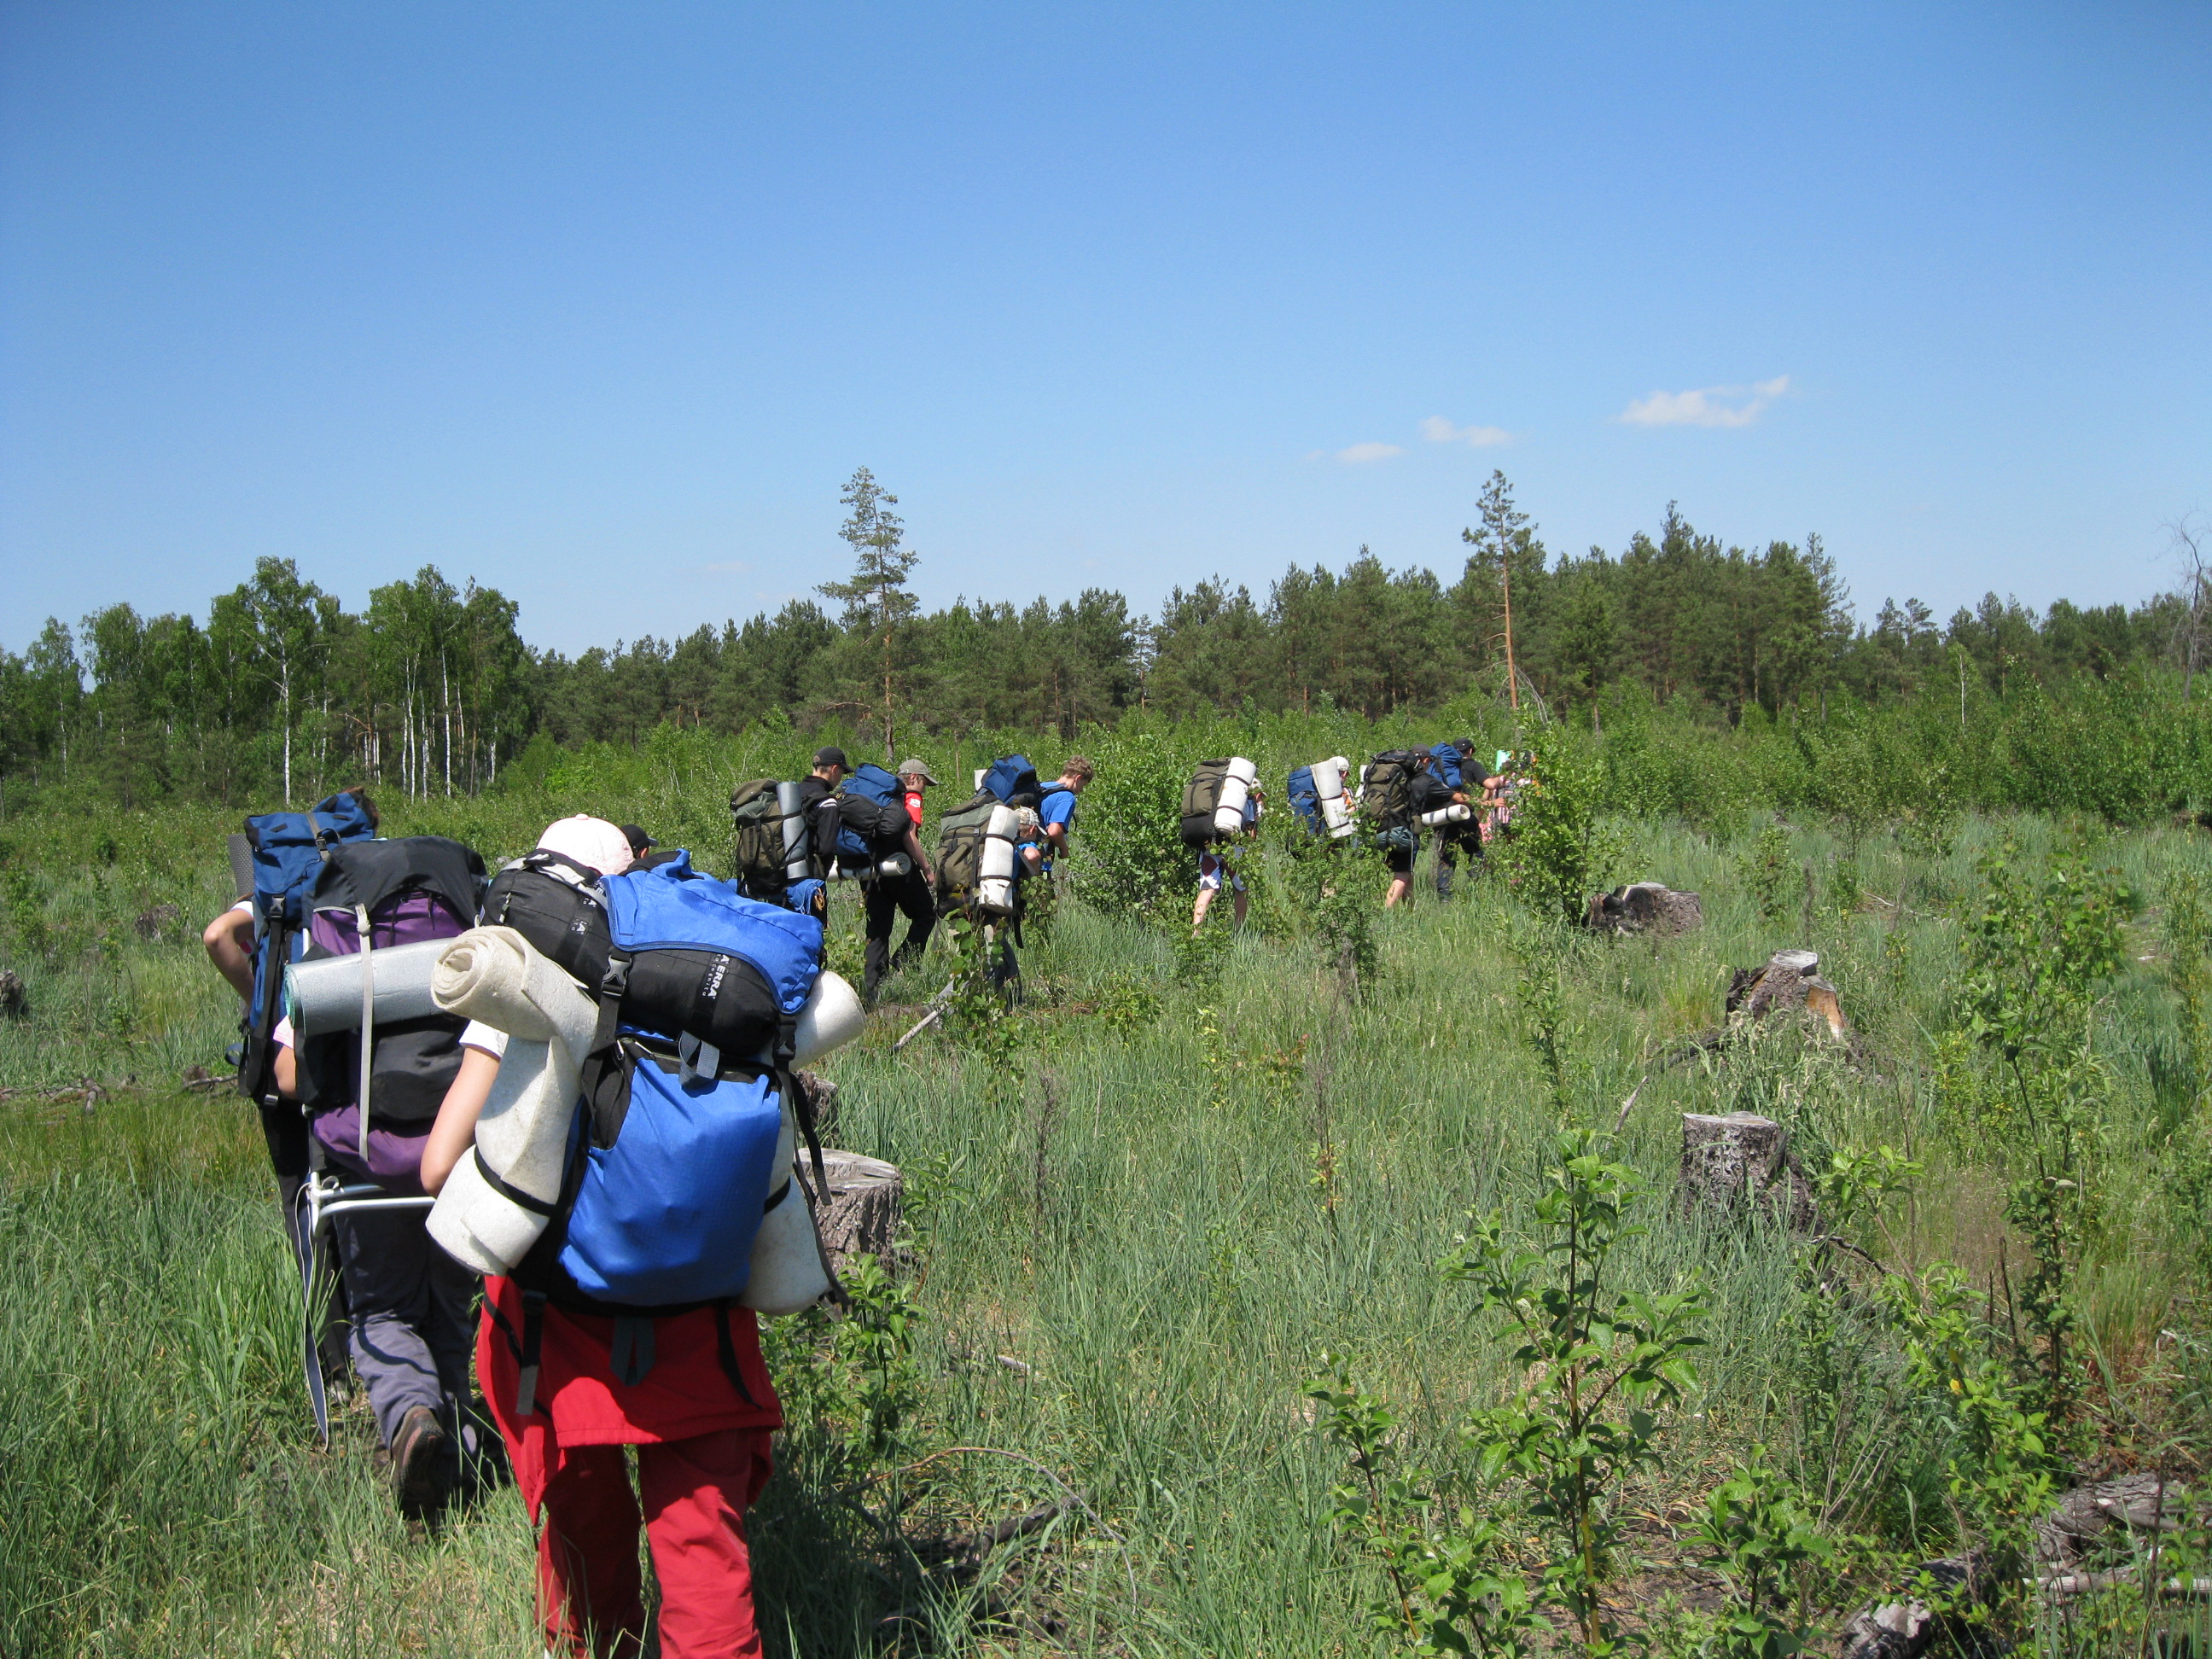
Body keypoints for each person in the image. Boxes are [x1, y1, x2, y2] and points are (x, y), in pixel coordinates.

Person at [421, 815, 783, 1659]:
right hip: (700, 1312)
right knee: (704, 1557)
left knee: (585, 1540)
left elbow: (439, 1165)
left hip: (560, 1324)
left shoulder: (519, 980)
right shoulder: (701, 974)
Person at [202, 787, 381, 1395]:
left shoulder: (278, 882)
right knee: (357, 1196)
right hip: (353, 1061)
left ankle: (333, 1369)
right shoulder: (364, 874)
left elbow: (216, 936)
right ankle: (380, 1340)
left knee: (303, 1208)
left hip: (282, 1068)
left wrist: (261, 1006)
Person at [859, 789, 938, 1003]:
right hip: (899, 866)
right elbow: (909, 835)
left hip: (870, 868)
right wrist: (927, 870)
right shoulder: (912, 798)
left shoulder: (873, 797)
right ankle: (901, 966)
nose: (924, 787)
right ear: (913, 777)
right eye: (923, 781)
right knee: (926, 915)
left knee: (877, 930)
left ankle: (873, 990)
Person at [1192, 785, 1260, 934]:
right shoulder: (1249, 800)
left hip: (1209, 844)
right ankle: (1238, 932)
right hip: (1234, 849)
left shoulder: (1217, 793)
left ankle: (1195, 933)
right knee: (1241, 889)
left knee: (1207, 889)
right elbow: (1251, 835)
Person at [1432, 740, 1488, 900]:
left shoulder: (1441, 766)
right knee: (1476, 851)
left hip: (1443, 815)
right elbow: (1489, 784)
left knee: (1446, 856)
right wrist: (1484, 804)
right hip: (1464, 815)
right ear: (1470, 751)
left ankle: (1444, 895)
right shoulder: (1472, 766)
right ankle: (1475, 888)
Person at [1036, 756, 1092, 871]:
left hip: (1021, 853)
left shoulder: (1041, 787)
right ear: (1078, 778)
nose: (1081, 790)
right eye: (1083, 785)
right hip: (1040, 861)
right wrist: (1064, 849)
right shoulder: (1067, 797)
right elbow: (1054, 831)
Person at [895, 758, 934, 827]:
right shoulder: (913, 797)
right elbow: (912, 827)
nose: (924, 790)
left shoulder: (893, 794)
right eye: (924, 784)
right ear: (913, 778)